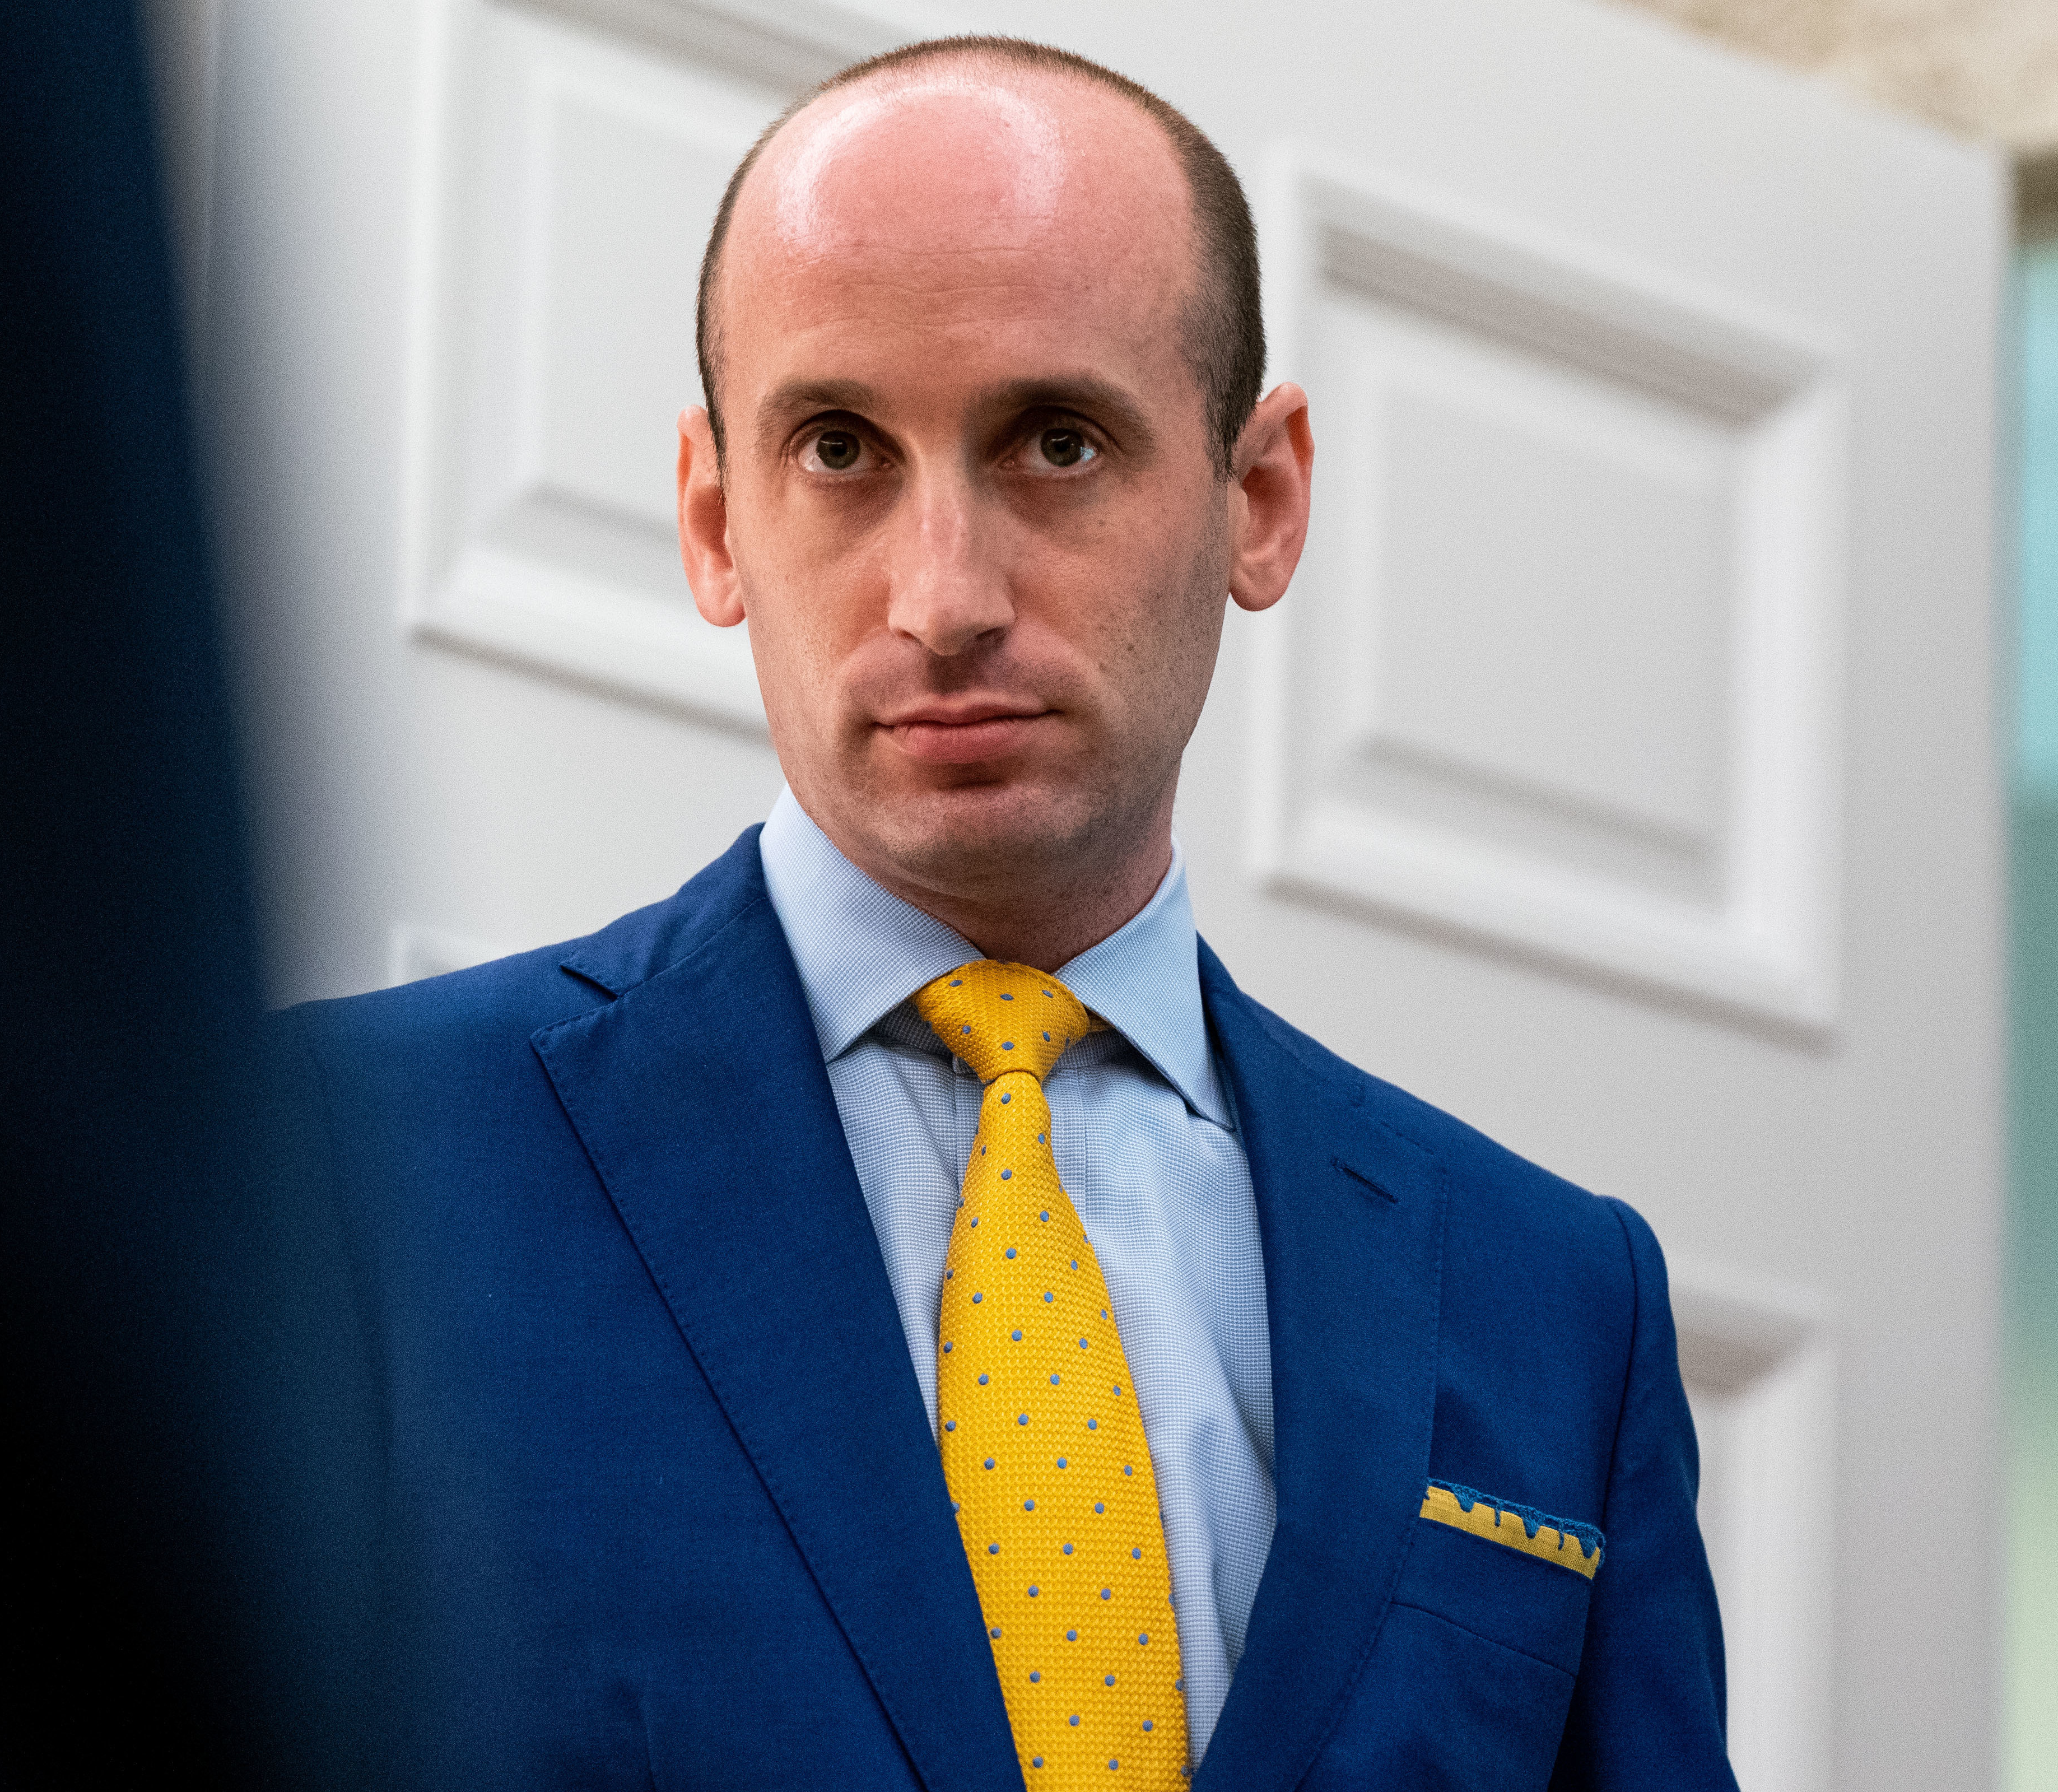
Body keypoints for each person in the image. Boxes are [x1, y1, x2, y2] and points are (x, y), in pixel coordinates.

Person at [271, 35, 1736, 1792]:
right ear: (715, 519)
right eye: (838, 449)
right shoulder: (339, 1165)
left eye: (1057, 442)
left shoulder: (1554, 1299)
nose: (945, 596)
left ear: (1261, 499)